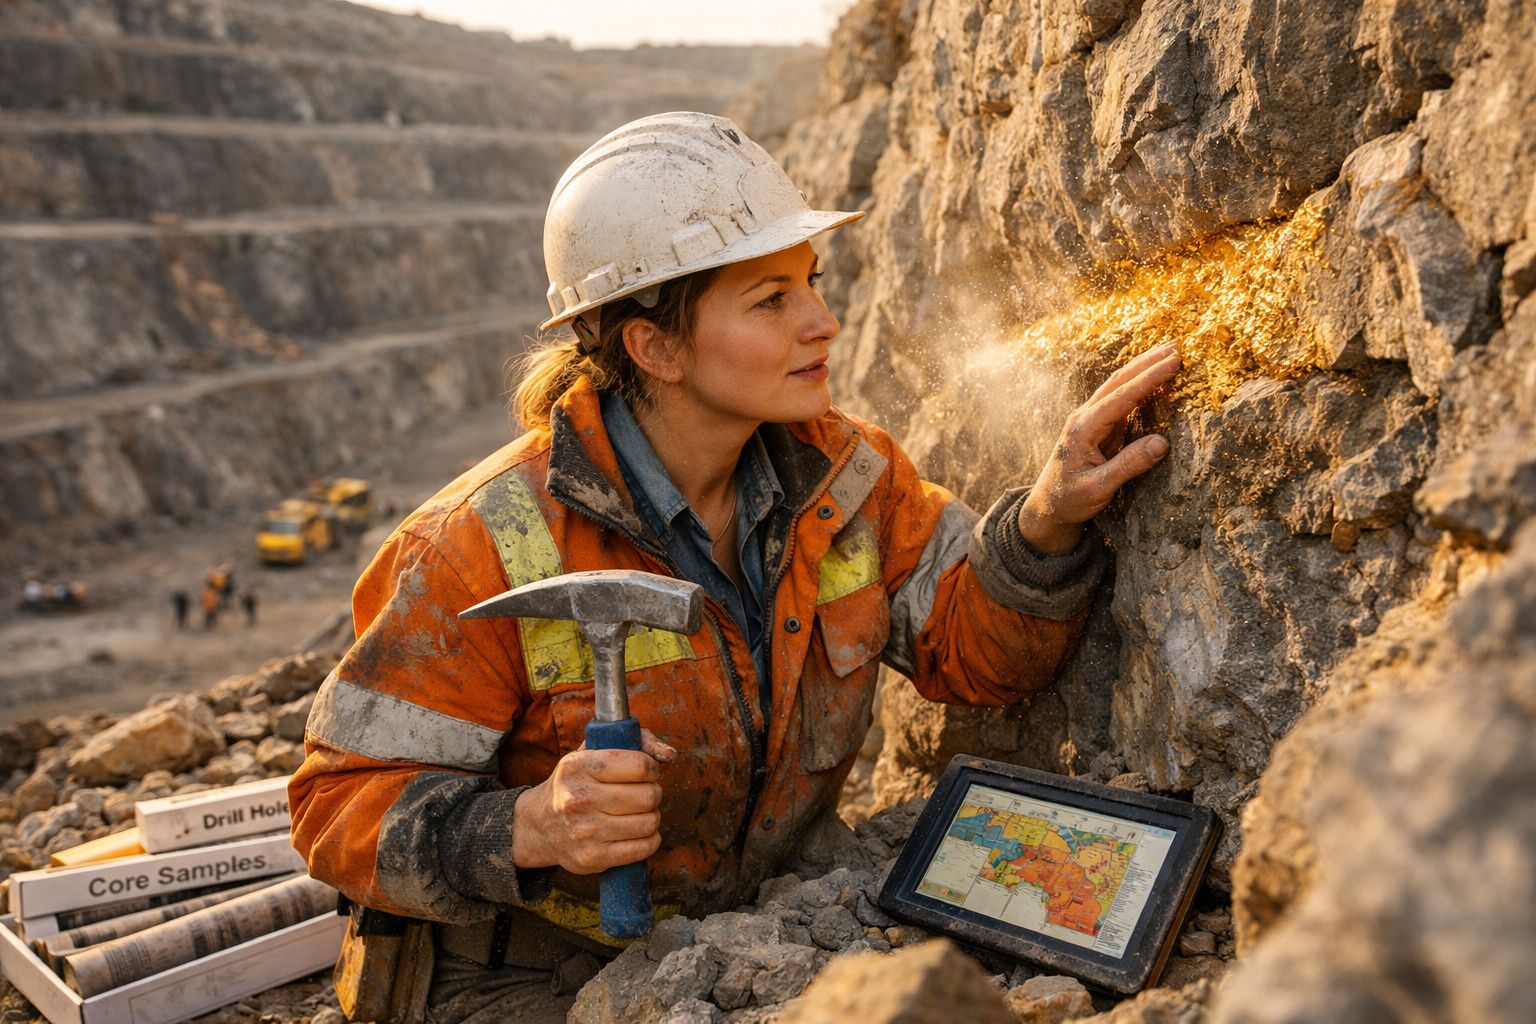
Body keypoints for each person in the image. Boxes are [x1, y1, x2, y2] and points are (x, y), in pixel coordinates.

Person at [289, 112, 1180, 1021]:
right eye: (770, 301)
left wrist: (1048, 518)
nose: (823, 324)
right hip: (515, 977)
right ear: (656, 347)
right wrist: (529, 825)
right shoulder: (480, 540)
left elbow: (980, 657)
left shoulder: (849, 475)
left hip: (743, 944)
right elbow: (336, 807)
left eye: (811, 285)